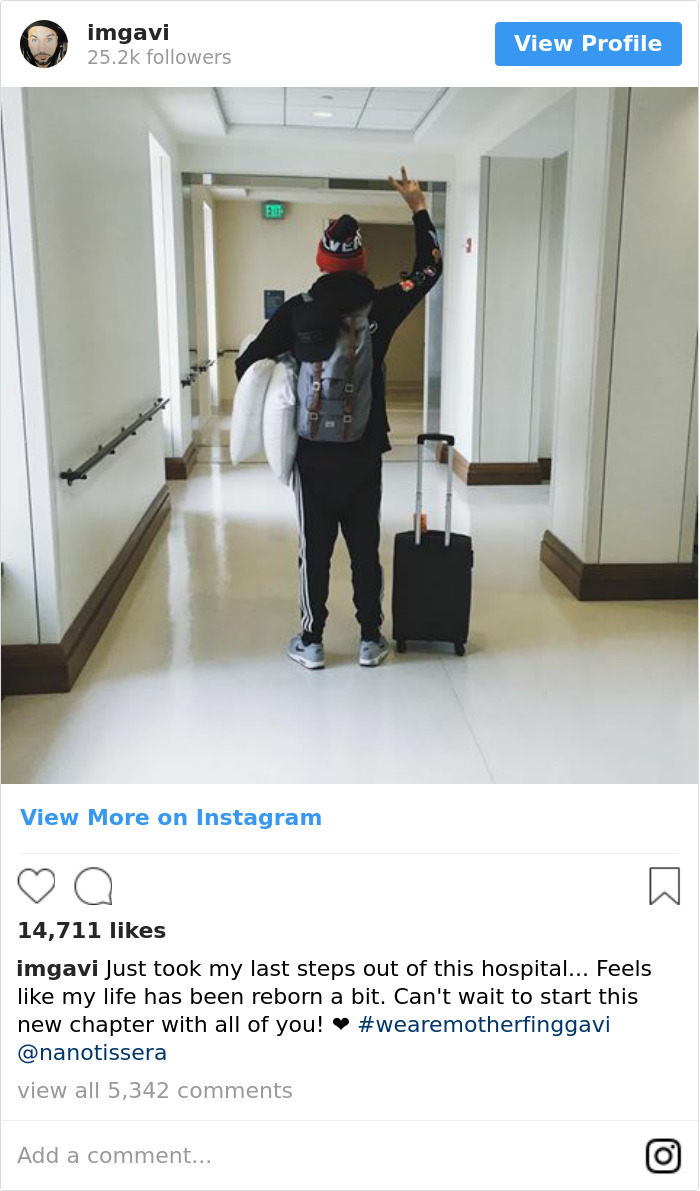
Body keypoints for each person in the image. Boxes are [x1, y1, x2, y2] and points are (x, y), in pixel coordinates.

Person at [235, 167, 443, 670]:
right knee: (364, 548)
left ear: (321, 259)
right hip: (365, 449)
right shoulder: (383, 307)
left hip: (312, 454)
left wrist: (291, 369)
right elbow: (431, 268)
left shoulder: (295, 312)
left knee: (315, 549)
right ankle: (371, 639)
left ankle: (311, 642)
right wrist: (417, 206)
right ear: (362, 260)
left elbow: (248, 365)